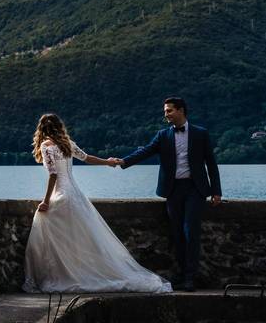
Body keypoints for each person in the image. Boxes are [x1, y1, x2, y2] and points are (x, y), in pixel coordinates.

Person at [23, 114, 172, 293]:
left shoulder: (46, 146)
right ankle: (76, 272)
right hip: (76, 196)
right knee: (78, 239)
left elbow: (53, 175)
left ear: (41, 129)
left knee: (45, 226)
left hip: (61, 196)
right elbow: (87, 158)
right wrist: (107, 162)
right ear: (58, 126)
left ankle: (63, 275)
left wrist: (46, 201)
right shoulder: (67, 143)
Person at [110, 97, 222, 292]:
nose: (166, 114)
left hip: (195, 189)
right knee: (177, 234)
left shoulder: (200, 134)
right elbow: (145, 151)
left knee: (190, 231)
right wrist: (123, 161)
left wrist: (216, 191)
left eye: (169, 110)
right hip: (173, 190)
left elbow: (211, 163)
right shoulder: (163, 135)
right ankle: (181, 274)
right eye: (165, 111)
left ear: (181, 111)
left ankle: (190, 277)